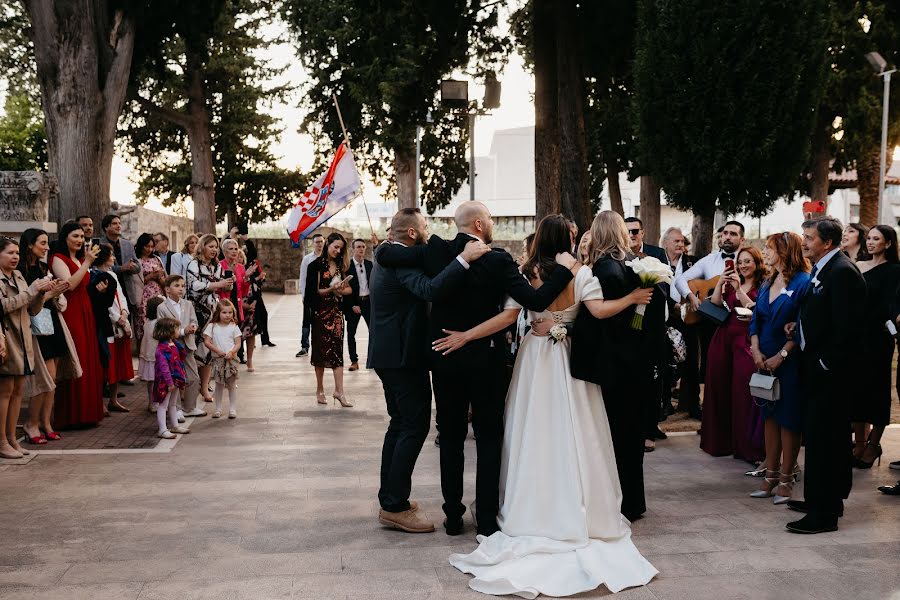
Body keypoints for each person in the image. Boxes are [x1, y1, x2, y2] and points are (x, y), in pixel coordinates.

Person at [448, 214, 658, 597]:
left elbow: (511, 317)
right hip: (568, 358)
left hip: (535, 357)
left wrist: (470, 335)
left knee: (533, 427)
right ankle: (580, 503)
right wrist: (632, 298)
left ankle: (529, 503)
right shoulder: (581, 273)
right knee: (577, 429)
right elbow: (598, 312)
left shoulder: (525, 271)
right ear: (566, 238)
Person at [376, 201, 575, 538]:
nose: (494, 223)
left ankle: (453, 517)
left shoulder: (434, 251)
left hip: (445, 359)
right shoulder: (499, 260)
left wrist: (383, 246)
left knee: (451, 436)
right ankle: (485, 519)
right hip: (486, 360)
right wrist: (567, 270)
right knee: (488, 436)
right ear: (481, 225)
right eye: (492, 219)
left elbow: (388, 256)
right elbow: (536, 301)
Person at [369, 208, 489, 534]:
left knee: (399, 425)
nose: (428, 231)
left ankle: (391, 498)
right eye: (424, 226)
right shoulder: (401, 260)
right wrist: (463, 259)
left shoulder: (390, 256)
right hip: (402, 357)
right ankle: (395, 505)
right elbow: (431, 289)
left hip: (389, 355)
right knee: (413, 426)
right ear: (411, 233)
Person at [568, 211, 664, 520]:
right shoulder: (619, 268)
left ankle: (626, 501)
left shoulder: (605, 269)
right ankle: (631, 500)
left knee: (618, 434)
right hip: (625, 363)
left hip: (614, 364)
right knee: (627, 435)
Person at [785, 216, 866, 534]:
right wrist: (799, 326)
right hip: (816, 367)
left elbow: (848, 327)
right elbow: (821, 312)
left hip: (831, 374)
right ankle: (820, 498)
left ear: (828, 242)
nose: (803, 242)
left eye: (809, 237)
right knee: (818, 439)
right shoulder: (823, 267)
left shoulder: (843, 272)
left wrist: (825, 364)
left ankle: (825, 512)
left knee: (828, 441)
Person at [749, 232, 810, 504]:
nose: (766, 252)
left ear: (785, 252)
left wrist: (782, 354)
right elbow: (756, 319)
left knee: (789, 419)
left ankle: (787, 478)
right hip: (763, 358)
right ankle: (770, 475)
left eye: (770, 248)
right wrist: (755, 348)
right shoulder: (767, 281)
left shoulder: (802, 282)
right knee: (769, 418)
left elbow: (803, 323)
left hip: (790, 361)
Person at [673, 220, 747, 418]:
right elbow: (680, 279)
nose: (728, 237)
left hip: (740, 322)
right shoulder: (709, 260)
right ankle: (710, 410)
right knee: (711, 367)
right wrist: (691, 297)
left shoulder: (747, 261)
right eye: (725, 233)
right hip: (712, 322)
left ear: (742, 239)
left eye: (733, 234)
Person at [700, 246, 766, 463]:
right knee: (719, 387)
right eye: (740, 262)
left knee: (743, 392)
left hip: (746, 340)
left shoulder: (763, 285)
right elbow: (717, 304)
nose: (742, 266)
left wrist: (739, 290)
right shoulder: (731, 281)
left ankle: (747, 447)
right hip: (723, 337)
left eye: (747, 261)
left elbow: (757, 310)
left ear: (757, 263)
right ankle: (721, 442)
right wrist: (721, 283)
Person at [19, 229, 81, 444]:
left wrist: (56, 291)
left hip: (51, 322)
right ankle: (31, 423)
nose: (46, 247)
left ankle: (46, 423)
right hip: (36, 326)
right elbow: (27, 303)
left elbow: (48, 297)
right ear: (29, 245)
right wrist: (50, 294)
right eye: (42, 243)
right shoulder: (21, 270)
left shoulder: (42, 267)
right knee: (43, 379)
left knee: (52, 379)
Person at [0, 238, 55, 458]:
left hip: (24, 340)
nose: (15, 257)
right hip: (7, 338)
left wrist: (42, 294)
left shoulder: (19, 276)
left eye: (16, 253)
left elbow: (31, 310)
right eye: (10, 253)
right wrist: (32, 291)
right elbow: (4, 306)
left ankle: (12, 438)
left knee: (18, 392)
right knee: (4, 392)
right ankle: (2, 441)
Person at [851, 225, 900, 468]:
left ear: (888, 243)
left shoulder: (895, 271)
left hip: (879, 339)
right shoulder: (857, 266)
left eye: (876, 239)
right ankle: (859, 443)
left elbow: (892, 305)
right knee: (856, 390)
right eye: (868, 238)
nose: (870, 242)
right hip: (856, 337)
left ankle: (873, 445)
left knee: (878, 392)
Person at [50, 222, 106, 429]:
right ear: (65, 237)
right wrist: (87, 262)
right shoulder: (58, 259)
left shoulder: (80, 258)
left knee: (88, 358)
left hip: (86, 309)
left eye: (82, 237)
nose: (80, 240)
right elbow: (69, 285)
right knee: (76, 356)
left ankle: (88, 413)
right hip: (71, 311)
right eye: (75, 236)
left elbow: (83, 284)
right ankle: (70, 415)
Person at [306, 233, 353, 406]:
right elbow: (315, 291)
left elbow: (350, 290)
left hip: (337, 313)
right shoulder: (316, 265)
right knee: (319, 352)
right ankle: (319, 389)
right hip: (320, 313)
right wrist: (331, 289)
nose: (338, 251)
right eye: (335, 247)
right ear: (328, 244)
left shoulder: (342, 266)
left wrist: (340, 290)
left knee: (337, 351)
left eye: (340, 248)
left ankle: (339, 391)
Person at [187, 234, 233, 403]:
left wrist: (228, 283)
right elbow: (193, 287)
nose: (214, 250)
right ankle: (190, 388)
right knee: (194, 350)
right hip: (196, 311)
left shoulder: (217, 266)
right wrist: (215, 285)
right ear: (202, 247)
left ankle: (204, 388)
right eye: (211, 246)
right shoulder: (193, 264)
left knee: (208, 352)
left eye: (216, 247)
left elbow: (221, 287)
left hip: (212, 310)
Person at [157, 274, 205, 418]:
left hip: (188, 346)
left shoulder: (188, 304)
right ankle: (176, 409)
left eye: (183, 286)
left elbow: (194, 320)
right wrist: (183, 331)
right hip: (171, 347)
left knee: (194, 377)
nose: (181, 289)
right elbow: (163, 328)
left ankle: (189, 407)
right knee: (174, 378)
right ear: (167, 289)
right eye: (176, 286)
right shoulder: (162, 307)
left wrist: (193, 327)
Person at [93, 244, 134, 413]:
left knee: (117, 364)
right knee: (106, 365)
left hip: (120, 322)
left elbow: (121, 296)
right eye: (111, 255)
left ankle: (113, 399)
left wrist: (124, 312)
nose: (114, 258)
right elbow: (104, 303)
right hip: (109, 325)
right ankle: (101, 402)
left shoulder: (112, 275)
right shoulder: (94, 275)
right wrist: (118, 319)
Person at [203, 299, 242, 419]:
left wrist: (232, 352)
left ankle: (232, 409)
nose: (227, 315)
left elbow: (238, 343)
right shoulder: (212, 326)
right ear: (218, 313)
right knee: (219, 385)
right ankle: (218, 409)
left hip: (231, 360)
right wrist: (217, 350)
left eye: (230, 313)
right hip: (217, 360)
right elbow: (207, 341)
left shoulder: (234, 326)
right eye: (224, 312)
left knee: (231, 385)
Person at [152, 318, 191, 439]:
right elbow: (164, 368)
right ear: (169, 331)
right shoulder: (162, 349)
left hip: (175, 380)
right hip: (166, 382)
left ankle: (174, 425)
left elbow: (181, 357)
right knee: (163, 405)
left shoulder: (174, 344)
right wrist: (169, 383)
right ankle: (162, 429)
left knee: (173, 404)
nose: (179, 330)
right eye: (177, 328)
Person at [219, 238, 254, 369]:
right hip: (223, 304)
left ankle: (232, 367)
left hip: (236, 306)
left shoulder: (240, 267)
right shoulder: (219, 265)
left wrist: (246, 278)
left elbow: (244, 291)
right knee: (223, 337)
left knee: (234, 337)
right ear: (224, 251)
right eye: (230, 249)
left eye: (235, 249)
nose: (234, 252)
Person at [99, 214, 140, 313]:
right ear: (106, 227)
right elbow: (99, 267)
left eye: (119, 223)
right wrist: (122, 268)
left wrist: (131, 266)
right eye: (114, 223)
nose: (118, 226)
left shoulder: (128, 244)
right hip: (108, 290)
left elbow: (138, 267)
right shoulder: (99, 244)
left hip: (128, 292)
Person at [345, 238, 373, 372]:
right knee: (351, 333)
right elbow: (345, 288)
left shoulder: (370, 265)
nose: (361, 249)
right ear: (353, 249)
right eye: (358, 247)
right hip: (354, 304)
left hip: (368, 302)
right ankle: (354, 361)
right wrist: (352, 305)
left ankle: (372, 359)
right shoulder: (347, 266)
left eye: (363, 246)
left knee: (374, 332)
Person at [297, 233, 325, 357]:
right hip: (309, 295)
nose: (319, 244)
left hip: (324, 295)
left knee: (321, 321)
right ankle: (304, 346)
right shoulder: (307, 259)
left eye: (321, 241)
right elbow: (302, 277)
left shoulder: (327, 259)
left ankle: (321, 346)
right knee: (306, 321)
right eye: (317, 242)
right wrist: (303, 295)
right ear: (313, 243)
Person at [135, 233, 166, 341]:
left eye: (152, 247)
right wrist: (151, 276)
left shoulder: (156, 259)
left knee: (160, 321)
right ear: (141, 245)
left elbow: (164, 278)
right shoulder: (136, 260)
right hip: (143, 296)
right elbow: (135, 281)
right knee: (144, 323)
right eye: (147, 246)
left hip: (158, 293)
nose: (149, 249)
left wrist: (160, 278)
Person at [139, 297, 165, 411]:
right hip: (156, 357)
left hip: (148, 356)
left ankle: (151, 402)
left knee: (151, 381)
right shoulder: (158, 324)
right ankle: (156, 402)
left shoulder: (147, 323)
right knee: (157, 381)